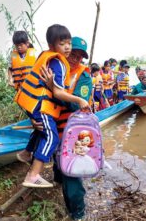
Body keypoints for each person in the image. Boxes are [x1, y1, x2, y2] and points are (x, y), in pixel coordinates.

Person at [15, 25, 89, 188]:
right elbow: (58, 93)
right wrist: (79, 100)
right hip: (40, 106)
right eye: (64, 44)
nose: (69, 50)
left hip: (36, 105)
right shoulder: (58, 63)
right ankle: (33, 175)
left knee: (43, 132)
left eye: (69, 44)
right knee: (51, 137)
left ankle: (27, 153)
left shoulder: (83, 76)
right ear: (53, 46)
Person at [40, 36, 92, 220]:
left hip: (72, 132)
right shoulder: (55, 67)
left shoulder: (84, 77)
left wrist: (54, 89)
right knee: (58, 164)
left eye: (80, 56)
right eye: (73, 53)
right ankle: (57, 180)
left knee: (72, 173)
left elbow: (76, 105)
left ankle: (77, 213)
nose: (75, 58)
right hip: (53, 127)